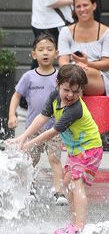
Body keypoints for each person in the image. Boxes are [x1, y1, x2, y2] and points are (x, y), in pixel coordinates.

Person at [8, 64, 103, 234]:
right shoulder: (54, 96)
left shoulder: (75, 108)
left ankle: (79, 227)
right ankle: (73, 224)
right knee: (66, 184)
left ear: (81, 90)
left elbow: (52, 132)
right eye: (66, 89)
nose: (70, 95)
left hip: (90, 148)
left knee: (76, 182)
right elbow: (42, 117)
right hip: (76, 150)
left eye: (76, 91)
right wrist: (23, 137)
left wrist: (29, 144)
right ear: (58, 84)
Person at [7, 34, 67, 206]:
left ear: (56, 53)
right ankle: (29, 187)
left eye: (49, 49)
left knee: (55, 159)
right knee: (30, 160)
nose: (45, 53)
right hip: (33, 128)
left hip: (54, 128)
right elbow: (16, 95)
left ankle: (58, 191)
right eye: (41, 50)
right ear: (34, 54)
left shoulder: (60, 77)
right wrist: (12, 114)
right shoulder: (29, 77)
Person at [58, 0, 109, 98]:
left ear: (94, 6)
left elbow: (107, 63)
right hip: (71, 73)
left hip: (99, 76)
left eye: (85, 5)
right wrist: (74, 68)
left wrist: (87, 64)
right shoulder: (65, 31)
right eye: (78, 6)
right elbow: (63, 60)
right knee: (72, 74)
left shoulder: (107, 32)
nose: (82, 9)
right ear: (74, 9)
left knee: (79, 73)